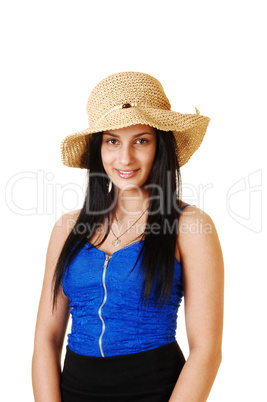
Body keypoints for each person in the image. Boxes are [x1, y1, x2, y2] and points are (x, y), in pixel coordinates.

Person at [32, 71, 224, 402]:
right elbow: (46, 340)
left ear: (160, 144)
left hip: (157, 391)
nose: (125, 158)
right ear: (98, 148)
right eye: (112, 141)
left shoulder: (191, 226)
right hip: (74, 391)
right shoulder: (67, 228)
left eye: (141, 140)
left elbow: (207, 352)